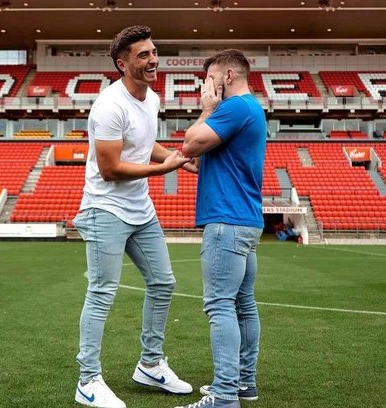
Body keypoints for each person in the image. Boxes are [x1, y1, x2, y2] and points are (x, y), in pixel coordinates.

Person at [72, 25, 196, 408]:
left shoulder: (152, 99)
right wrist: (163, 171)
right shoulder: (109, 106)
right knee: (102, 292)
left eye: (154, 52)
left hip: (140, 210)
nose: (153, 59)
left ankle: (150, 363)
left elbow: (143, 143)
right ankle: (87, 380)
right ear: (122, 63)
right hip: (104, 209)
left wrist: (175, 158)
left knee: (163, 282)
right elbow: (109, 168)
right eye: (143, 55)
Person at [178, 49, 267, 408]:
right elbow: (201, 158)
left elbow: (189, 142)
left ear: (228, 76)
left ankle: (225, 395)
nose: (207, 84)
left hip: (226, 222)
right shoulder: (252, 110)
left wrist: (207, 107)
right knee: (243, 305)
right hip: (245, 221)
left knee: (220, 306)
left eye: (210, 76)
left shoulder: (233, 108)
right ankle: (244, 384)